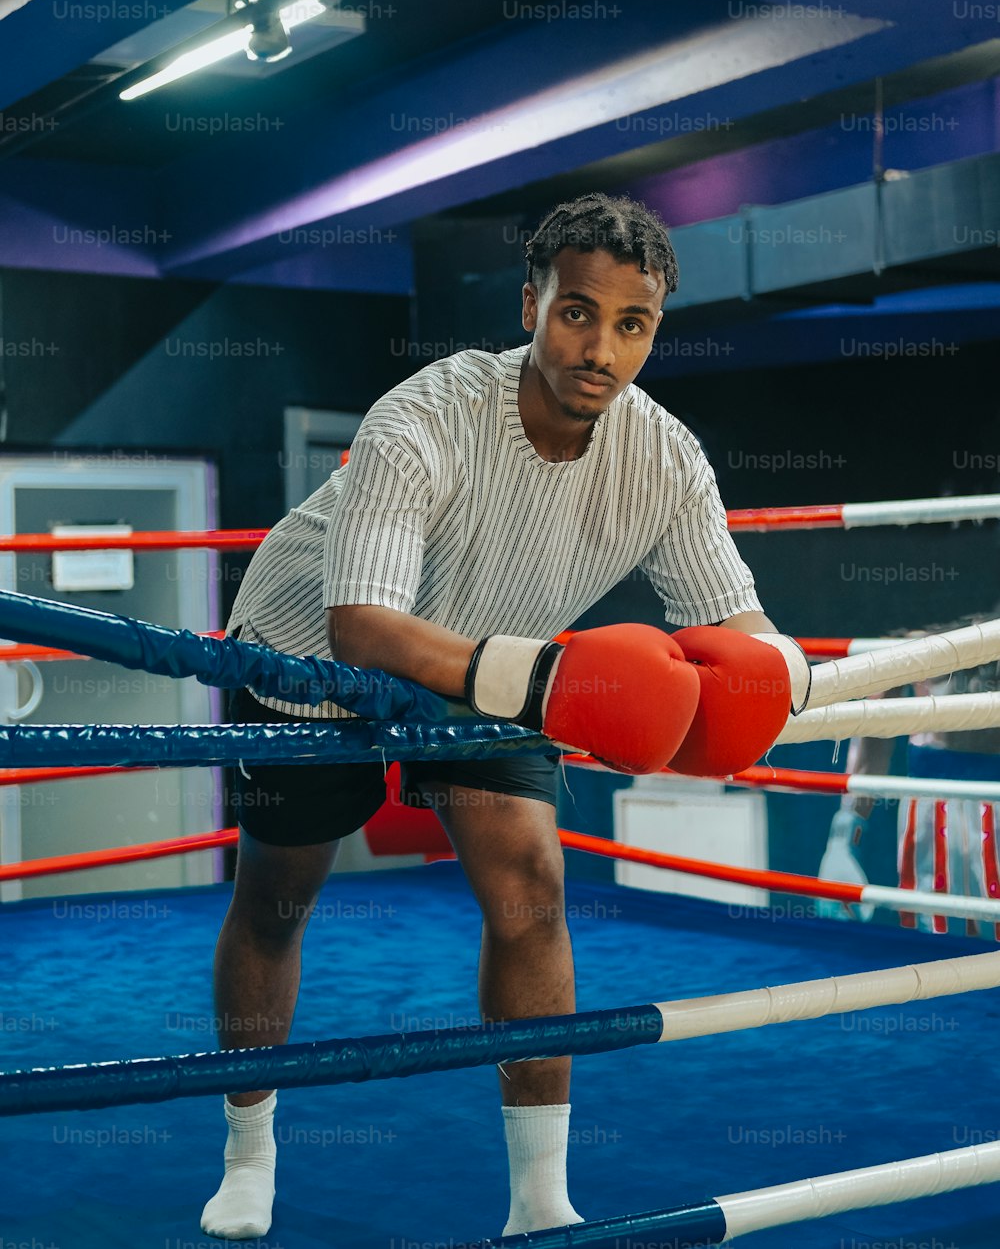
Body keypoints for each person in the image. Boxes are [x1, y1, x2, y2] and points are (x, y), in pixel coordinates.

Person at [200, 191, 798, 1239]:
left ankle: (539, 1200)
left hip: (492, 662)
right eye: (577, 311)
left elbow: (739, 625)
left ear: (653, 331)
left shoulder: (663, 455)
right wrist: (552, 685)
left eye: (631, 324)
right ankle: (249, 1145)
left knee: (530, 883)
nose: (599, 348)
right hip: (311, 653)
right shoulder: (423, 413)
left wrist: (776, 678)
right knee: (278, 896)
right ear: (530, 305)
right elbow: (364, 628)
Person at [817, 611, 1000, 935]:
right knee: (935, 938)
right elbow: (873, 731)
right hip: (933, 804)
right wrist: (844, 837)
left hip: (973, 795)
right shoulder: (918, 631)